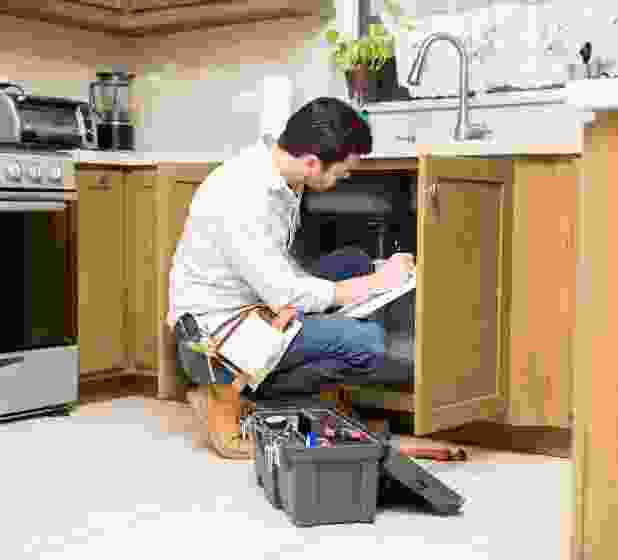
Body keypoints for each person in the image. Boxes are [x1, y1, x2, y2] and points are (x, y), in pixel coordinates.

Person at [169, 97, 415, 460]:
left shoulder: (280, 172)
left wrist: (375, 274)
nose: (343, 179)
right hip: (219, 338)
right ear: (312, 163)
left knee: (355, 262)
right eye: (340, 173)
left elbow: (280, 277)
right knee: (369, 343)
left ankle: (301, 397)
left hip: (257, 304)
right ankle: (229, 394)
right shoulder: (243, 196)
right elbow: (290, 296)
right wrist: (380, 282)